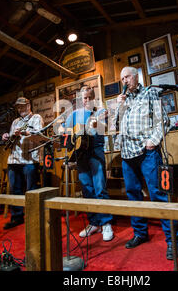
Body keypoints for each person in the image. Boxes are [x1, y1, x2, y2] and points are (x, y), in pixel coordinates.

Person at [115, 66, 178, 260]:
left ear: (136, 77)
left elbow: (165, 121)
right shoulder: (124, 99)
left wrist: (154, 141)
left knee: (158, 194)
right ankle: (140, 233)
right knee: (133, 195)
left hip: (146, 152)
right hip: (127, 154)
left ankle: (172, 241)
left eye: (126, 77)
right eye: (122, 78)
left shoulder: (150, 93)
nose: (124, 81)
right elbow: (114, 126)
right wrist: (119, 107)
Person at [64, 86, 114, 242]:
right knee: (87, 189)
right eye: (84, 98)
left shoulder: (99, 112)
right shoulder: (73, 114)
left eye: (89, 97)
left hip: (95, 152)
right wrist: (71, 141)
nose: (86, 100)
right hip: (80, 155)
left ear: (94, 98)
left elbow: (101, 128)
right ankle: (94, 223)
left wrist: (97, 123)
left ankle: (106, 223)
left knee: (100, 188)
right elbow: (64, 131)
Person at [1, 97, 43, 230]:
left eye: (22, 106)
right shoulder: (15, 121)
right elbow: (11, 138)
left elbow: (40, 135)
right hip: (14, 159)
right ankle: (17, 217)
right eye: (18, 107)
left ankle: (33, 217)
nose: (20, 109)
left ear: (29, 105)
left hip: (30, 159)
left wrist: (26, 132)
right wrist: (6, 136)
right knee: (15, 190)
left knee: (31, 191)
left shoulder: (36, 118)